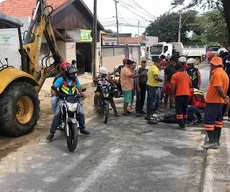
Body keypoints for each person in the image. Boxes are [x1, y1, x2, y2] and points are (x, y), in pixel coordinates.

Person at [47, 66, 90, 141]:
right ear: (67, 73)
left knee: (81, 113)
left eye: (74, 73)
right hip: (62, 100)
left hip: (74, 99)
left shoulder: (75, 80)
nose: (74, 75)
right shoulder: (61, 80)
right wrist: (54, 92)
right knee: (57, 114)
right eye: (72, 74)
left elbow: (79, 88)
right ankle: (52, 133)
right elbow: (54, 87)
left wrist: (82, 94)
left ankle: (82, 128)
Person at [203, 56, 229, 149]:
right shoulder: (224, 73)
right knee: (218, 121)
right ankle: (216, 141)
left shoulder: (217, 74)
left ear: (213, 64)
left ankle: (213, 142)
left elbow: (218, 87)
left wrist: (224, 96)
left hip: (213, 101)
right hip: (219, 102)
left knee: (208, 121)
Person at [171, 63, 192, 129]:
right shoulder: (187, 75)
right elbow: (190, 85)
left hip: (179, 94)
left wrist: (172, 94)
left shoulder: (174, 75)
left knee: (179, 109)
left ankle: (181, 123)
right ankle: (185, 121)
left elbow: (173, 86)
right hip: (187, 94)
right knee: (185, 108)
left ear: (175, 69)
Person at [223, 46, 230, 120]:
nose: (229, 51)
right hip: (226, 80)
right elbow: (223, 68)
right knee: (225, 96)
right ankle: (225, 111)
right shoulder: (226, 58)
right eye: (228, 50)